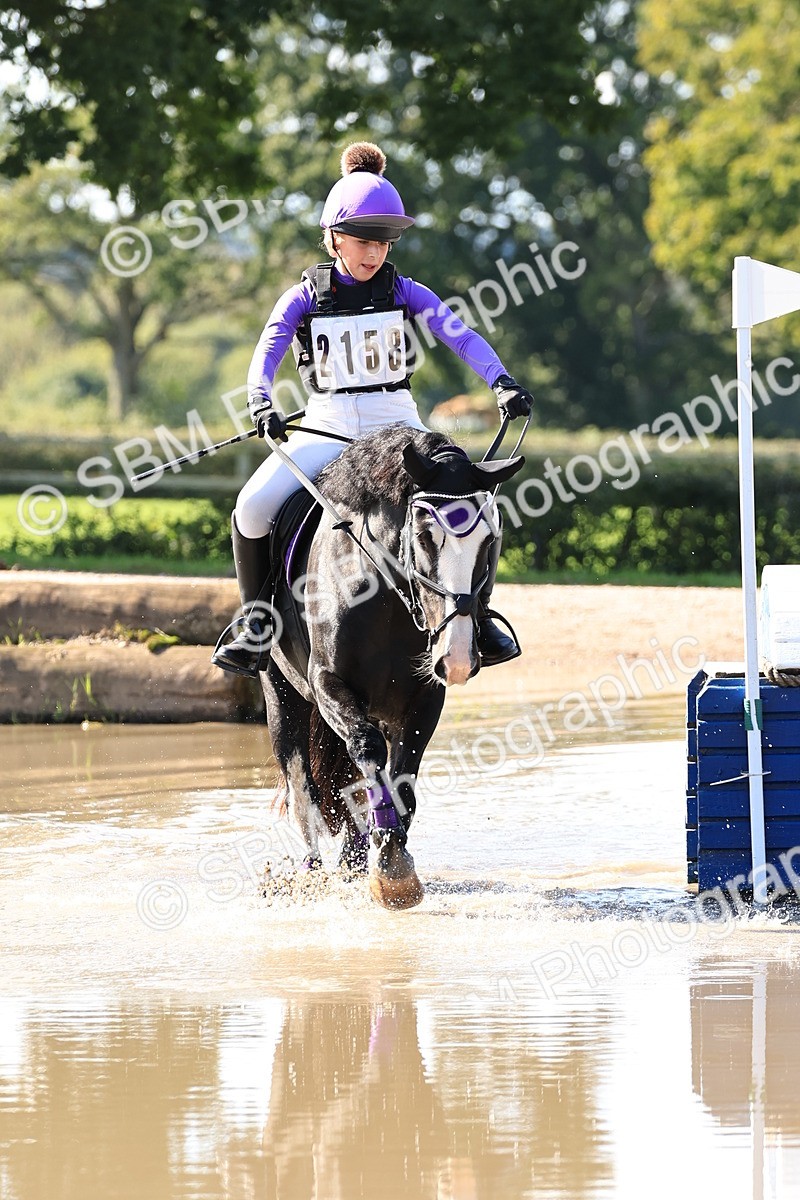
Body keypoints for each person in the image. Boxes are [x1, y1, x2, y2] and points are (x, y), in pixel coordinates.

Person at [212, 141, 533, 677]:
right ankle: (255, 622)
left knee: (479, 505)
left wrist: (501, 382)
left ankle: (479, 618)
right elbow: (269, 346)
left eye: (384, 242)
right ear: (334, 238)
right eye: (363, 240)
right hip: (327, 426)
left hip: (398, 425)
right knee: (251, 507)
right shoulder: (303, 298)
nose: (374, 253)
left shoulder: (407, 291)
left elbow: (460, 336)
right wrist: (259, 400)